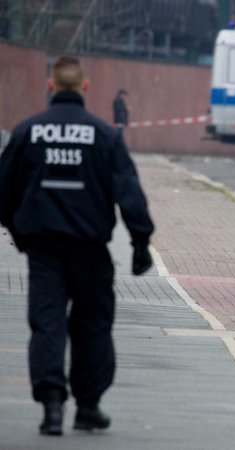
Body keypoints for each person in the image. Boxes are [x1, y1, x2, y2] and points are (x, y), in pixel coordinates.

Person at [0, 56, 154, 435]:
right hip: (90, 250)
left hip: (44, 249)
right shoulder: (104, 135)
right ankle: (88, 406)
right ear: (85, 87)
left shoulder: (27, 132)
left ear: (50, 86)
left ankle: (52, 406)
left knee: (47, 323)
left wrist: (20, 235)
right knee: (93, 325)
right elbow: (129, 193)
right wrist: (140, 243)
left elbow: (4, 192)